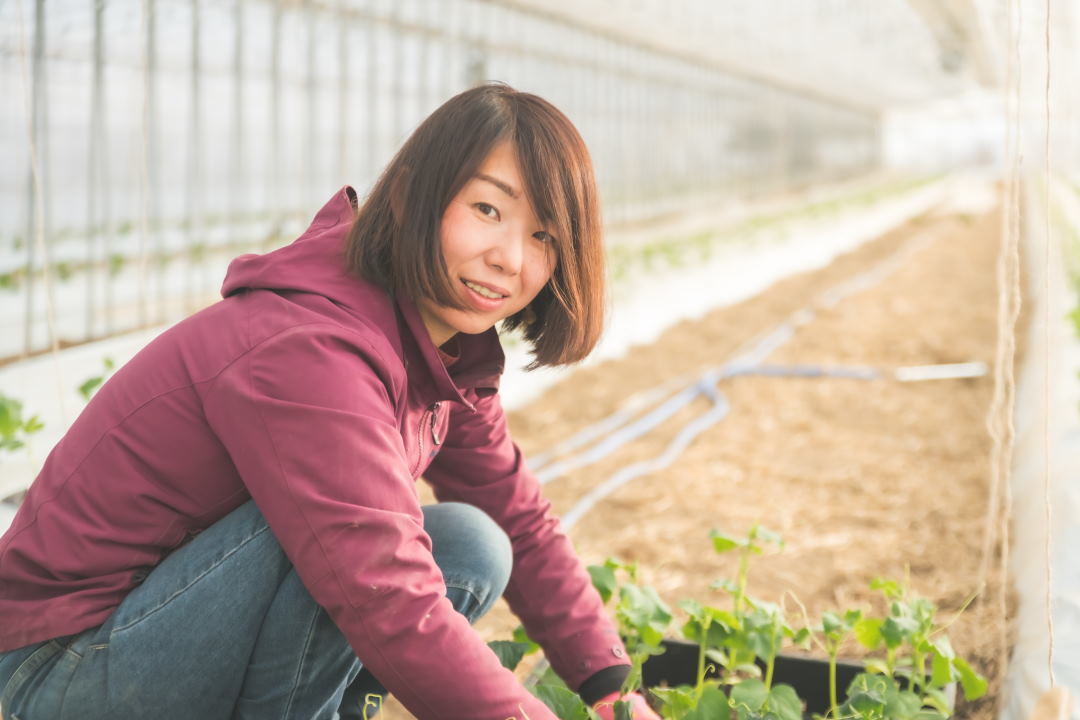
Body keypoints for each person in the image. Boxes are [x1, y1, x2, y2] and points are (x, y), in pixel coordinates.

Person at [0, 84, 660, 720]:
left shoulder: (440, 348)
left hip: (158, 630)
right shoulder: (309, 347)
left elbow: (516, 513)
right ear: (410, 196)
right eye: (488, 210)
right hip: (62, 668)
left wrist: (609, 686)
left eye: (544, 235)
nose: (509, 257)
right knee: (349, 537)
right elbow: (388, 596)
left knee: (473, 542)